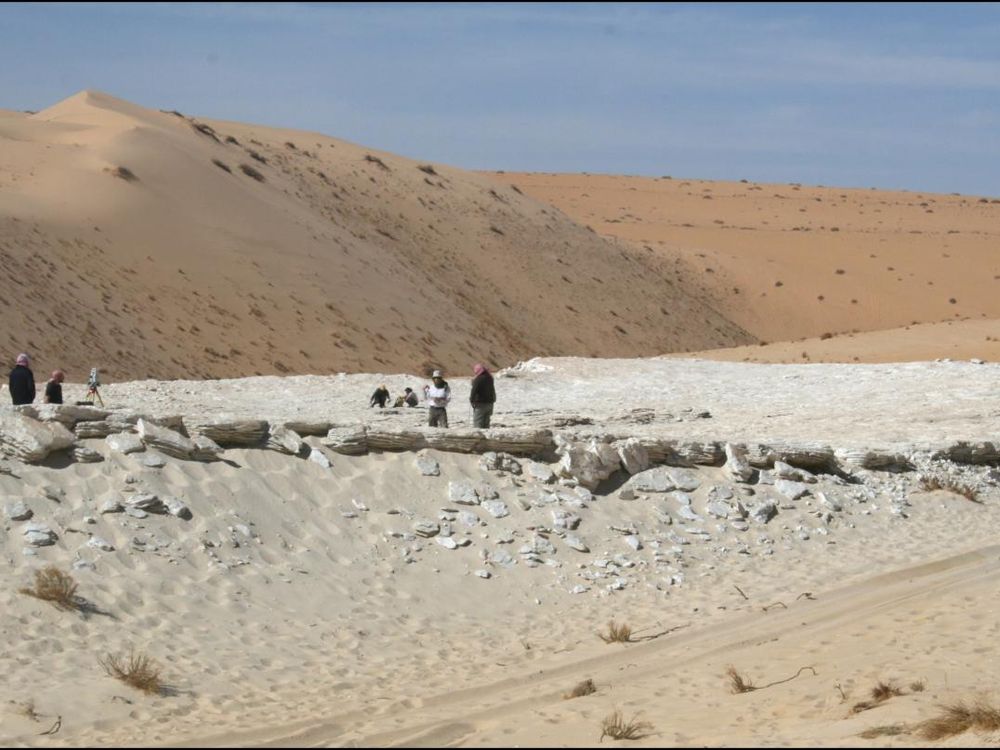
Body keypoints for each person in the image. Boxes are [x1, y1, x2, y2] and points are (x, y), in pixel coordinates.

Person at [470, 362, 496, 428]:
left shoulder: (478, 379)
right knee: (486, 424)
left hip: (480, 404)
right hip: (490, 403)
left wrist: (472, 400)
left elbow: (474, 391)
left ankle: (479, 438)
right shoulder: (490, 378)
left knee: (478, 423)